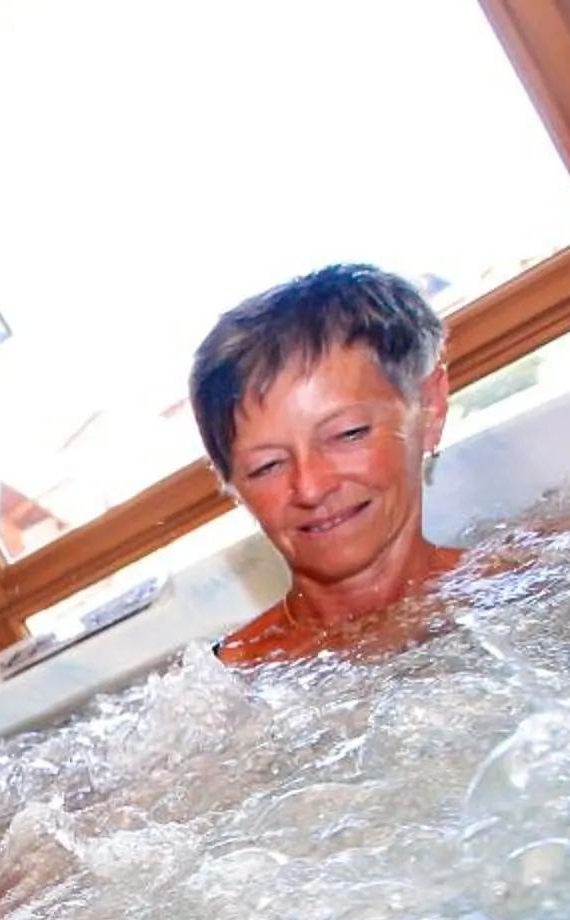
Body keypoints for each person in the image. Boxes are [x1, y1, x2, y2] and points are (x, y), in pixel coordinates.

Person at [188, 264, 458, 669]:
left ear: (430, 409)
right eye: (267, 466)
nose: (311, 488)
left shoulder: (533, 581)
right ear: (231, 484)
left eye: (347, 434)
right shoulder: (221, 692)